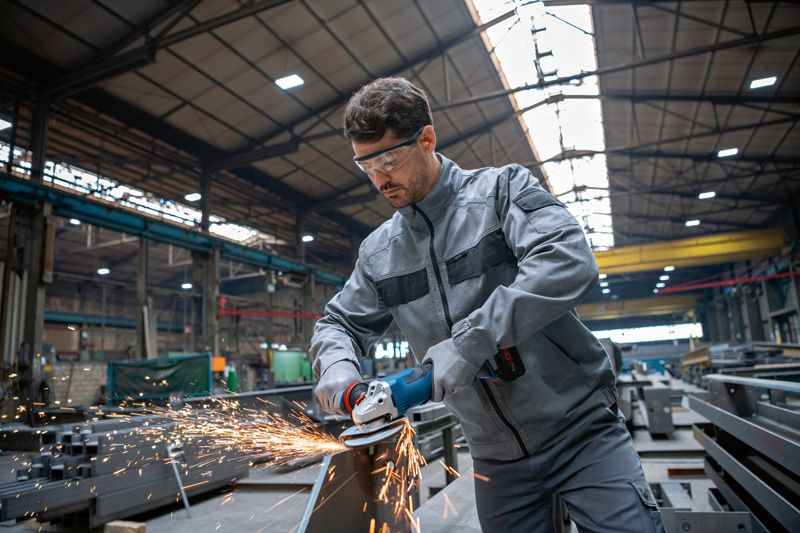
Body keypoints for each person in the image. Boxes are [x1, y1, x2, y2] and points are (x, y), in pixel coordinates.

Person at [310, 77, 664, 532]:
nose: (379, 178)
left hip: (582, 432)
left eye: (389, 160)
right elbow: (338, 322)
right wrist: (338, 367)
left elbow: (568, 261)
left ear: (427, 139)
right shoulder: (380, 253)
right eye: (366, 165)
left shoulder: (502, 193)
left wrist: (470, 342)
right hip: (494, 458)